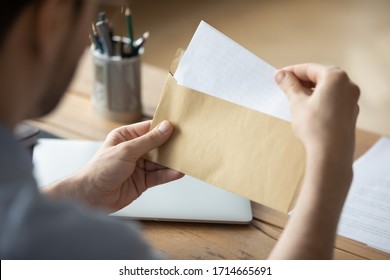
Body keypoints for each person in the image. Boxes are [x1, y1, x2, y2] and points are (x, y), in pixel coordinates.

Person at [0, 0, 359, 259]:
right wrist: (330, 162)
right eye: (96, 11)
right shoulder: (102, 252)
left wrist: (84, 190)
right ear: (53, 18)